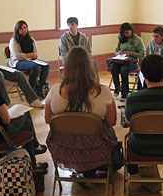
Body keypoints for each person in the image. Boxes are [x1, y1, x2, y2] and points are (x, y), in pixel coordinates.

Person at [45, 47, 119, 177]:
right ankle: (91, 170)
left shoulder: (55, 91)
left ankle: (83, 171)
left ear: (66, 67)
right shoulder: (103, 92)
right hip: (96, 150)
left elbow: (47, 119)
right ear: (90, 67)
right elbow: (111, 122)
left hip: (64, 149)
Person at [9, 20, 50, 99]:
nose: (23, 30)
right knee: (36, 67)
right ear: (17, 30)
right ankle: (31, 89)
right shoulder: (13, 41)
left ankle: (39, 87)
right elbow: (18, 56)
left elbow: (35, 54)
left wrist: (28, 56)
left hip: (30, 60)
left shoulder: (31, 39)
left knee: (46, 65)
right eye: (21, 28)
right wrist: (29, 55)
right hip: (17, 62)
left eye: (25, 27)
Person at [109, 22, 145, 99]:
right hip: (120, 60)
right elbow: (116, 50)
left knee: (123, 70)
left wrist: (130, 53)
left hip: (132, 61)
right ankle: (117, 88)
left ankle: (125, 92)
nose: (126, 34)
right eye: (124, 33)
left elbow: (142, 54)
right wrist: (118, 53)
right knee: (113, 68)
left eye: (127, 32)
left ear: (131, 31)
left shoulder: (138, 40)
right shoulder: (121, 38)